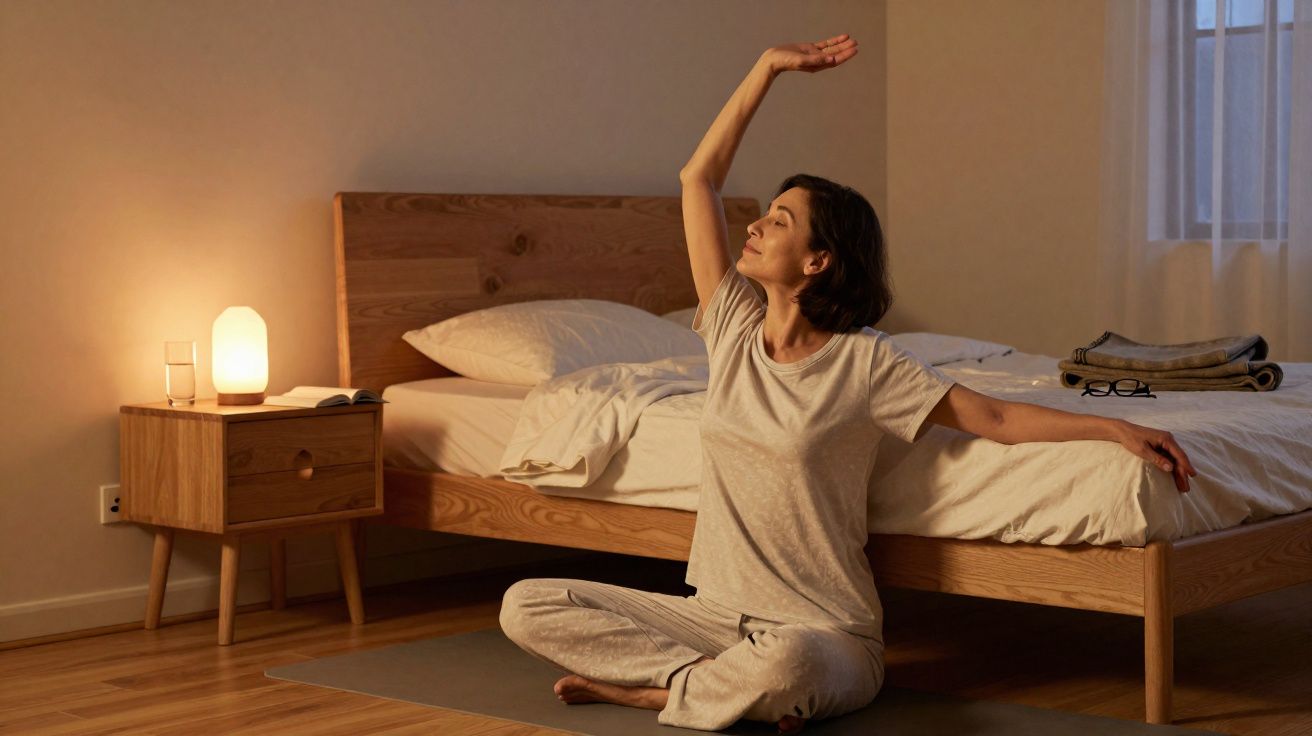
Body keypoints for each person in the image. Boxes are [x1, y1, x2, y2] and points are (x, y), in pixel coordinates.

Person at [499, 33, 1198, 735]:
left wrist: (1114, 427)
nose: (758, 225)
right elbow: (696, 181)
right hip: (710, 618)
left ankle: (660, 692)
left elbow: (993, 418)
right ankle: (700, 689)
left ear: (816, 261)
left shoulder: (868, 364)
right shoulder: (732, 330)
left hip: (825, 633)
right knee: (526, 603)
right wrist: (767, 68)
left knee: (790, 665)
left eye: (780, 221)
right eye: (765, 214)